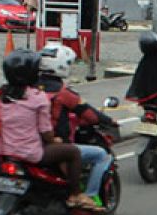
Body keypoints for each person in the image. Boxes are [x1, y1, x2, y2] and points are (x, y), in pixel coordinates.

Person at [0, 49, 102, 211]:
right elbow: (46, 131)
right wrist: (54, 140)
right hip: (30, 153)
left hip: (4, 151)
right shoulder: (37, 97)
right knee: (73, 152)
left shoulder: (0, 95)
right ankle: (76, 194)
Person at [36, 44, 114, 206]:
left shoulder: (28, 89)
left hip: (29, 143)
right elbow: (90, 115)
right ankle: (89, 196)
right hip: (53, 145)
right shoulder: (63, 93)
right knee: (101, 155)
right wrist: (108, 120)